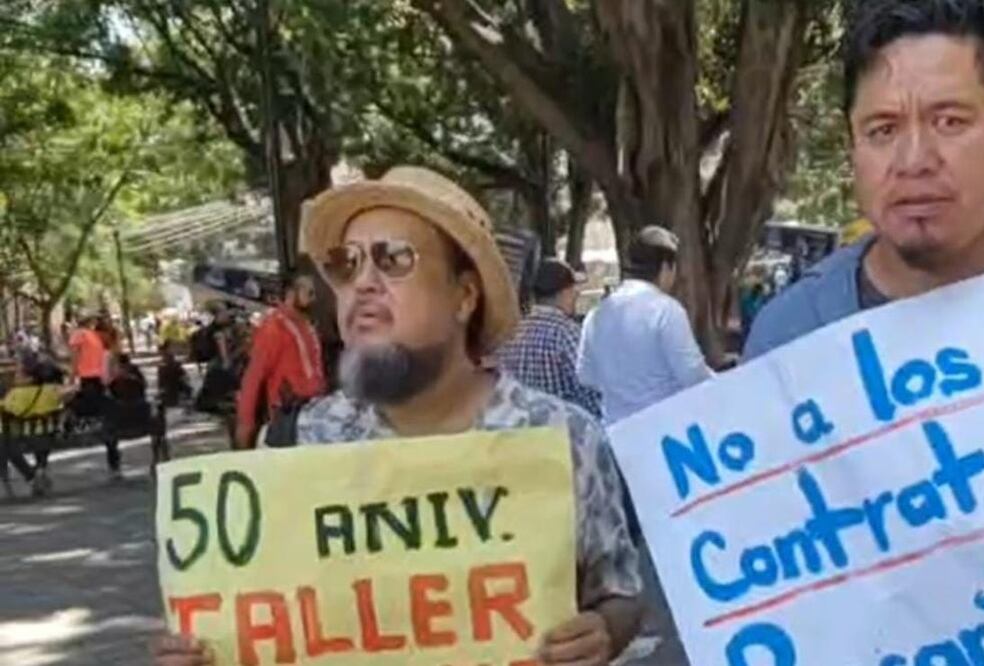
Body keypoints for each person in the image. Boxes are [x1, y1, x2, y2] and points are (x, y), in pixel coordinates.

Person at [152, 166, 642, 666]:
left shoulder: (561, 438)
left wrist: (603, 631)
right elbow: (253, 624)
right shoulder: (297, 444)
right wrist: (201, 653)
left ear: (464, 296)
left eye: (394, 259)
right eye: (347, 263)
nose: (362, 283)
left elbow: (620, 591)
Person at [744, 0, 984, 361]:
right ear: (851, 146)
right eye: (883, 130)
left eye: (950, 122)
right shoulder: (790, 339)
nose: (914, 161)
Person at [577, 226, 713, 424]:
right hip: (662, 432)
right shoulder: (666, 311)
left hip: (617, 433)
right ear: (666, 268)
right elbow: (692, 375)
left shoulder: (595, 315)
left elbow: (585, 376)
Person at [497, 258, 603, 418]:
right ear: (565, 292)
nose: (577, 294)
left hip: (521, 429)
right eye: (574, 289)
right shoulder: (565, 332)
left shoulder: (512, 333)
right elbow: (592, 386)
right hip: (563, 429)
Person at [234, 271, 325, 449]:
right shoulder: (274, 327)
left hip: (314, 415)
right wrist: (245, 425)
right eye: (310, 293)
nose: (314, 298)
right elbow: (253, 378)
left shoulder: (307, 326)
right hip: (288, 419)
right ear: (291, 293)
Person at [68, 312, 122, 478]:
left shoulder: (80, 334)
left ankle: (74, 431)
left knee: (73, 406)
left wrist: (71, 376)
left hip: (88, 379)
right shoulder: (98, 340)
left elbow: (75, 357)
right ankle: (114, 463)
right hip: (100, 381)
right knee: (106, 417)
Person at [1, 357, 64, 496]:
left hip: (22, 435)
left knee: (6, 445)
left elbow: (7, 410)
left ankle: (31, 476)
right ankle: (40, 468)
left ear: (29, 377)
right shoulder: (51, 390)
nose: (15, 376)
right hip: (47, 434)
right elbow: (64, 399)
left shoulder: (16, 394)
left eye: (18, 374)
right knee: (41, 439)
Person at [157, 345, 192, 409]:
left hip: (170, 389)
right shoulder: (175, 365)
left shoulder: (162, 367)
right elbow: (185, 377)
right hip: (174, 388)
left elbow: (160, 382)